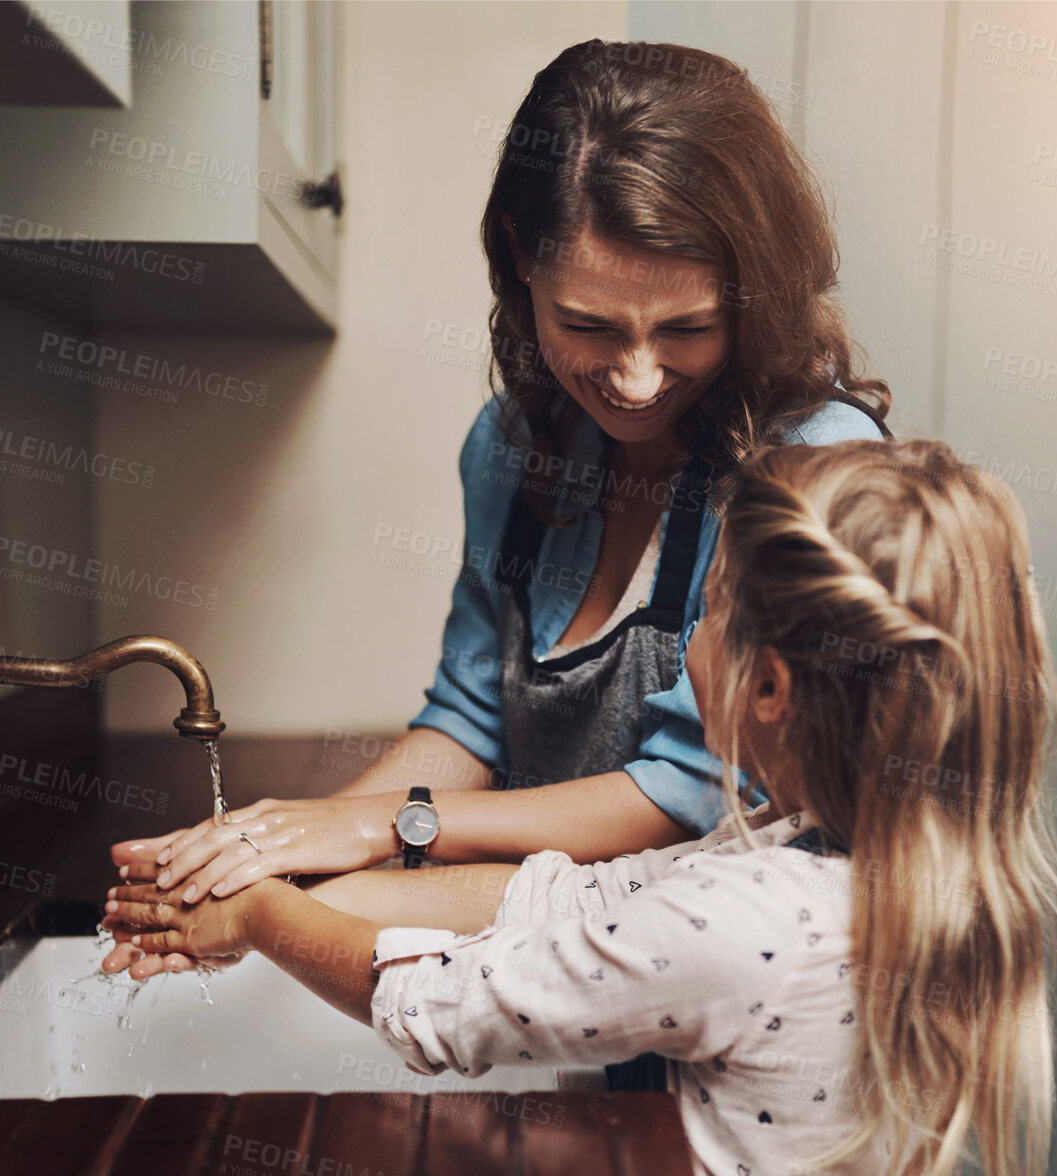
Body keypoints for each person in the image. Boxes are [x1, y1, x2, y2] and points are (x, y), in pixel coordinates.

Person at [102, 438, 1057, 1176]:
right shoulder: (851, 869)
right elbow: (570, 897)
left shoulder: (750, 919)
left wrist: (260, 919)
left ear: (771, 686)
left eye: (704, 612)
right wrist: (287, 883)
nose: (688, 640)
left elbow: (440, 1005)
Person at [110, 37, 889, 957]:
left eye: (688, 328)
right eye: (587, 325)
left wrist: (383, 831)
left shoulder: (815, 466)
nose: (636, 380)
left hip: (733, 1007)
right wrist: (271, 850)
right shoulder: (514, 447)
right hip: (575, 982)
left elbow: (693, 795)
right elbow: (470, 716)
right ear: (521, 260)